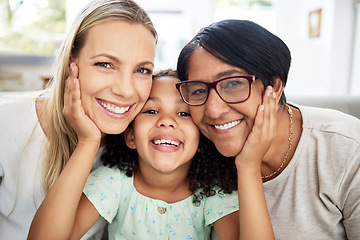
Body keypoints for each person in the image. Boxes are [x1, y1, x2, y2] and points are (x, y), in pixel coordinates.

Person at [176, 19, 360, 240]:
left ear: (275, 85)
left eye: (233, 84)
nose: (213, 111)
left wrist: (247, 165)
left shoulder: (348, 148)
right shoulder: (194, 154)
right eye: (198, 90)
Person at [0, 0, 157, 239]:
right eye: (105, 64)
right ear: (70, 62)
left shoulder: (144, 142)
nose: (126, 90)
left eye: (142, 70)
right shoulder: (7, 120)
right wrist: (89, 141)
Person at [28, 69, 243, 239]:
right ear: (130, 135)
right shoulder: (113, 182)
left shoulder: (215, 192)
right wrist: (88, 140)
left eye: (183, 113)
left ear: (200, 141)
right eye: (151, 111)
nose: (167, 120)